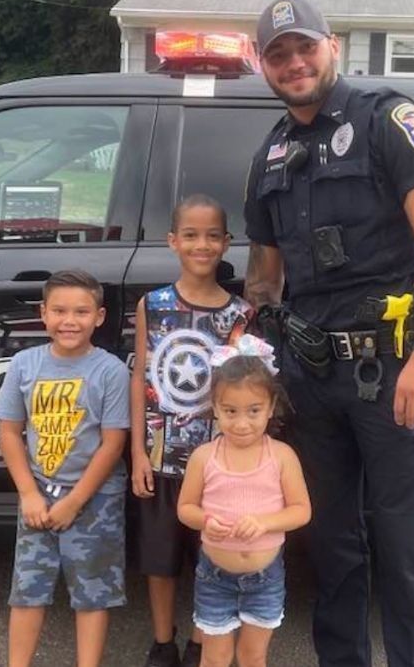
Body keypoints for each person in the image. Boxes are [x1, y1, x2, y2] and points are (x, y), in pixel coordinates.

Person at [242, 0, 414, 666]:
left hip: (395, 372)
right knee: (332, 546)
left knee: (408, 548)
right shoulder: (271, 154)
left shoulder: (388, 120)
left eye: (304, 47)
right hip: (312, 380)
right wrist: (253, 344)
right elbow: (264, 277)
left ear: (331, 45)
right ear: (263, 66)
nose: (293, 62)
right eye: (278, 54)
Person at [129, 195, 254, 667]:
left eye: (211, 236)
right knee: (159, 558)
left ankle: (203, 640)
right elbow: (140, 375)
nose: (201, 245)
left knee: (212, 560)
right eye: (190, 235)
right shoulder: (153, 305)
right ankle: (163, 642)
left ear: (225, 243)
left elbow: (241, 387)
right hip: (160, 455)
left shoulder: (238, 314)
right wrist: (139, 453)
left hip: (216, 465)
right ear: (173, 241)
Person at [0, 269, 131, 667]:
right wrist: (29, 494)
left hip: (95, 500)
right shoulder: (24, 364)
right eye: (60, 311)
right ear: (43, 313)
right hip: (38, 494)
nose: (70, 321)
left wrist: (76, 501)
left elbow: (113, 443)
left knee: (92, 592)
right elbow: (9, 433)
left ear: (99, 317)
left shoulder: (111, 371)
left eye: (81, 312)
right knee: (28, 588)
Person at [176, 337, 311, 667]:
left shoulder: (281, 456)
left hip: (265, 579)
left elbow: (301, 510)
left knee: (253, 657)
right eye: (230, 411)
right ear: (215, 406)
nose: (241, 423)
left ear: (270, 406)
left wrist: (265, 522)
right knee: (214, 658)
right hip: (214, 578)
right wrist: (206, 520)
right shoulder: (204, 457)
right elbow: (185, 509)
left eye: (253, 411)